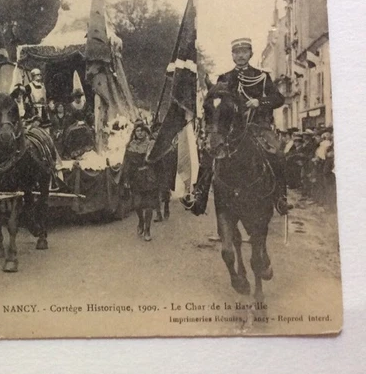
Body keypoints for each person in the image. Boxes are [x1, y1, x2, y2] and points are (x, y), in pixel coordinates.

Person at [182, 37, 290, 216]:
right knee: (210, 152)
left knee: (277, 151)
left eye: (244, 52)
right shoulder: (224, 78)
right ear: (232, 55)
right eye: (237, 52)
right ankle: (199, 196)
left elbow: (279, 99)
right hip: (230, 129)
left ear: (251, 54)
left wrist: (259, 101)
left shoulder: (262, 76)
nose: (240, 56)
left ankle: (280, 197)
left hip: (258, 127)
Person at [122, 120, 162, 241]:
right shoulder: (130, 146)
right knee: (137, 204)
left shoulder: (151, 145)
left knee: (149, 205)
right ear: (134, 132)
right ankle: (141, 221)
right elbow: (126, 164)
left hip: (149, 177)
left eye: (142, 130)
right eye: (138, 130)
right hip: (136, 178)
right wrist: (126, 179)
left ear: (146, 132)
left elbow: (159, 161)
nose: (140, 133)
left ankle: (147, 230)